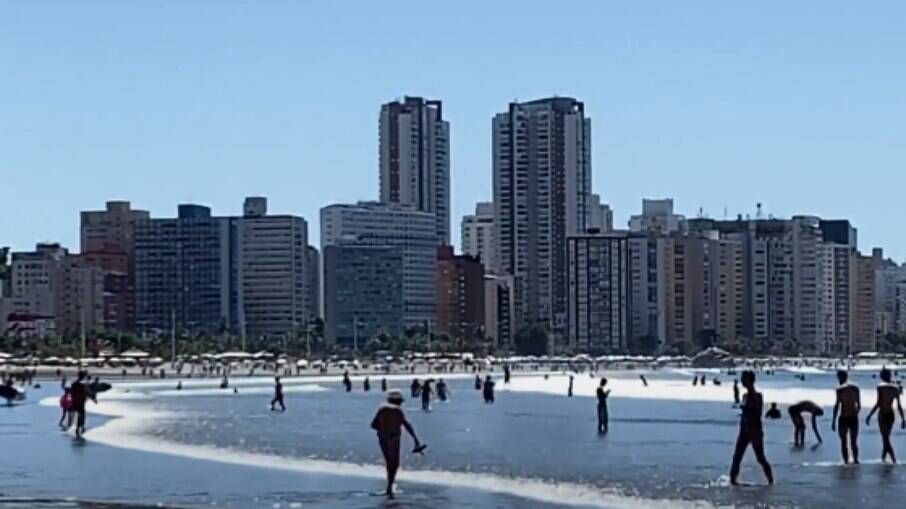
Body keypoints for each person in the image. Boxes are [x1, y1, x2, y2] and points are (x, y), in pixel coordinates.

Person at [370, 389, 423, 499]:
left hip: (383, 437)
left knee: (389, 462)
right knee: (394, 463)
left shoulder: (382, 409)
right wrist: (416, 440)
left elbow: (373, 425)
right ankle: (390, 487)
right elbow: (407, 425)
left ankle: (389, 487)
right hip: (394, 437)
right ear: (398, 401)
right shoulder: (398, 410)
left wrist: (383, 429)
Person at [729, 370, 773, 486]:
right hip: (744, 430)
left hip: (755, 431)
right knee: (737, 456)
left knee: (760, 458)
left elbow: (756, 413)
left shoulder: (757, 396)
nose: (742, 381)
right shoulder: (745, 396)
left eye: (744, 379)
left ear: (750, 381)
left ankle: (771, 482)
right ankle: (732, 481)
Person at [866, 368, 906, 464]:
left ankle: (893, 460)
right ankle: (884, 459)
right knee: (885, 437)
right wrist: (903, 419)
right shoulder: (895, 388)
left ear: (882, 376)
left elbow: (878, 403)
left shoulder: (880, 387)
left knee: (885, 438)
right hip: (891, 415)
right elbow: (899, 405)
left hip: (883, 414)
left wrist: (870, 415)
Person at [831, 370, 861, 464]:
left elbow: (837, 405)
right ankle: (856, 461)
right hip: (853, 418)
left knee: (843, 442)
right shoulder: (855, 388)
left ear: (840, 377)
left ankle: (846, 462)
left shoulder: (840, 389)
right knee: (854, 442)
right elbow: (859, 405)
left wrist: (833, 420)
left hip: (843, 418)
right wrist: (855, 413)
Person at [69, 372, 96, 439]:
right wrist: (93, 398)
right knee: (82, 415)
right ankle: (80, 428)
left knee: (79, 414)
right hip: (80, 401)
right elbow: (87, 392)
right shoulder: (82, 385)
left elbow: (71, 392)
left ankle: (78, 428)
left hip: (75, 401)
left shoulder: (74, 384)